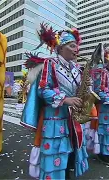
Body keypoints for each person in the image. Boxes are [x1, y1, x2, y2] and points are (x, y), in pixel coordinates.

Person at [21, 24, 89, 180]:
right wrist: (65, 99)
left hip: (74, 118)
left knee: (72, 150)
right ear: (61, 47)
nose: (76, 49)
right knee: (55, 153)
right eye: (72, 46)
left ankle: (68, 173)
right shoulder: (49, 64)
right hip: (55, 120)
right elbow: (43, 90)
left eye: (76, 46)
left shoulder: (78, 68)